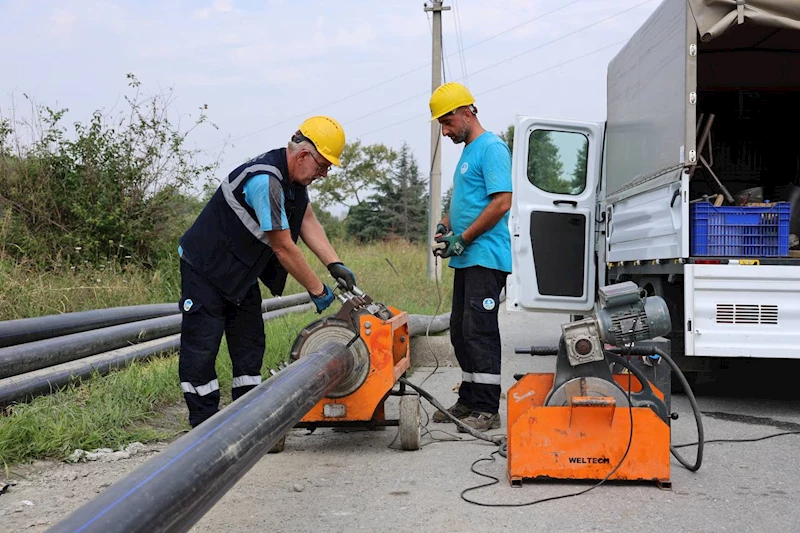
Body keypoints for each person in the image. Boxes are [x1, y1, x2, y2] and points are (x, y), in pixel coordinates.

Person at [177, 116, 357, 428]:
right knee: (202, 345)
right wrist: (317, 289)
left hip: (240, 270)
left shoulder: (294, 181)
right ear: (303, 155)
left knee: (249, 342)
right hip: (205, 268)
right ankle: (203, 424)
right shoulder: (265, 181)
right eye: (323, 166)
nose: (324, 174)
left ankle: (246, 418)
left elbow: (307, 220)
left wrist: (334, 263)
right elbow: (283, 247)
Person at [428, 82, 512, 432]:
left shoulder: (491, 148)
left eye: (447, 123)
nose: (445, 132)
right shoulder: (469, 152)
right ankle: (469, 397)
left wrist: (463, 238)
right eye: (442, 126)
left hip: (486, 257)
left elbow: (501, 202)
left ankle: (488, 407)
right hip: (467, 258)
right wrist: (445, 225)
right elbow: (463, 202)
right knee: (461, 332)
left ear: (468, 112)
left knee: (479, 330)